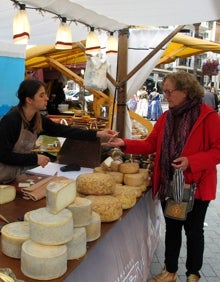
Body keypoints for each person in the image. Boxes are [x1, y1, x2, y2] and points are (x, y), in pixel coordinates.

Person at [103, 72, 220, 282]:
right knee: (173, 229)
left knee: (194, 232)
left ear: (185, 91)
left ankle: (193, 274)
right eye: (164, 90)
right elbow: (150, 144)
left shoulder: (208, 116)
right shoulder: (167, 117)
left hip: (196, 187)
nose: (165, 95)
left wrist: (191, 161)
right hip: (170, 184)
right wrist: (125, 143)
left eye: (169, 91)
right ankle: (170, 271)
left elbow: (218, 150)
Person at [0, 79, 117, 184]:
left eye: (45, 94)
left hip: (13, 176)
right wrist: (35, 158)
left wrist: (97, 134)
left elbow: (64, 131)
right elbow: (3, 155)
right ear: (29, 100)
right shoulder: (11, 120)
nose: (46, 98)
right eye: (41, 95)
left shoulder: (37, 119)